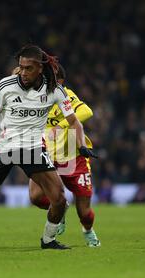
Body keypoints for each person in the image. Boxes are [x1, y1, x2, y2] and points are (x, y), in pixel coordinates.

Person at [0, 44, 97, 250]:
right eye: (21, 67)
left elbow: (74, 121)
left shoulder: (55, 91)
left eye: (28, 68)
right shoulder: (5, 86)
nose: (23, 72)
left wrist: (81, 146)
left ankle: (48, 240)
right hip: (3, 149)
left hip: (33, 150)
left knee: (60, 200)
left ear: (40, 68)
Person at [27, 64, 100, 247]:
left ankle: (88, 230)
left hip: (74, 159)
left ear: (59, 82)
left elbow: (86, 111)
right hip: (48, 157)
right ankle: (60, 208)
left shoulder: (65, 94)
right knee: (35, 196)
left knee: (84, 212)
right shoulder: (34, 97)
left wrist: (61, 124)